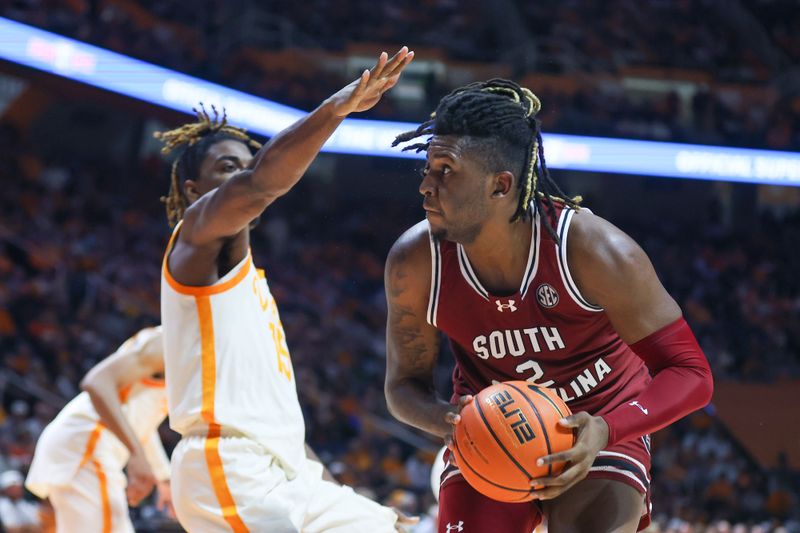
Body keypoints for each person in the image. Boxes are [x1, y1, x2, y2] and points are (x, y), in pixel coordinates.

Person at [384, 79, 714, 533]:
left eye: (445, 170)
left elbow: (692, 374)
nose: (425, 185)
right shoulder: (415, 262)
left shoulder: (595, 251)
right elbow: (403, 386)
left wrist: (607, 428)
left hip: (598, 425)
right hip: (493, 430)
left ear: (500, 185)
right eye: (427, 168)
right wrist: (451, 419)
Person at [157, 48, 416, 532]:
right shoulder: (193, 241)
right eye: (226, 167)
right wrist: (334, 111)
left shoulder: (250, 284)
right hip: (228, 466)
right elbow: (260, 184)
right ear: (194, 190)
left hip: (286, 472)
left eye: (245, 164)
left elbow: (281, 428)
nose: (239, 175)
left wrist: (346, 500)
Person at [25, 326, 172, 533]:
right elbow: (97, 382)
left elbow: (142, 421)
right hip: (87, 443)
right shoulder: (166, 340)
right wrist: (137, 454)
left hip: (85, 444)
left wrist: (164, 476)